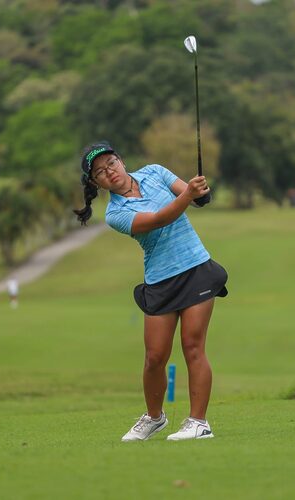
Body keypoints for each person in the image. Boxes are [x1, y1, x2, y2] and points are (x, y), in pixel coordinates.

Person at [74, 141, 228, 442]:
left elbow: (195, 196)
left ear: (121, 160)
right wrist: (188, 195)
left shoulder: (155, 172)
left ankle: (198, 422)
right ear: (96, 183)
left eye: (111, 164)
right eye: (101, 172)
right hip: (160, 280)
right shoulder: (115, 214)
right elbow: (158, 221)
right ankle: (154, 417)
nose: (110, 172)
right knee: (154, 358)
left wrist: (201, 192)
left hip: (196, 268)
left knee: (193, 347)